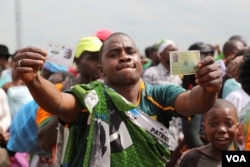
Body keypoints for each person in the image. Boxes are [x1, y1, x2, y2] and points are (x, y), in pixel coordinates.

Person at [13, 32, 222, 166]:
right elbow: (58, 102)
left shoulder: (160, 95)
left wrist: (210, 88)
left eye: (130, 51)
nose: (124, 56)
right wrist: (33, 80)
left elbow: (195, 102)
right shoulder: (90, 97)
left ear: (140, 62)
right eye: (114, 54)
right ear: (100, 70)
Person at [175, 99, 239, 167]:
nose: (222, 130)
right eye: (214, 124)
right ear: (204, 128)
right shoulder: (192, 158)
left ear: (237, 128)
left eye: (228, 124)